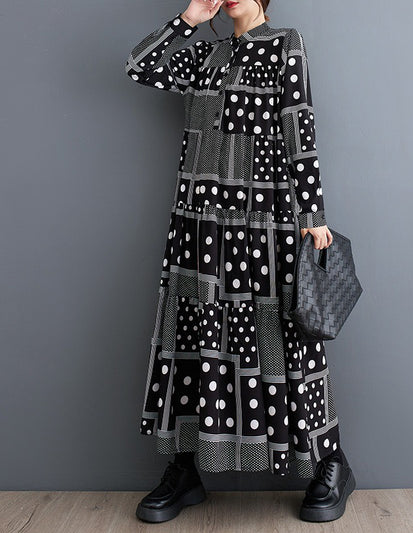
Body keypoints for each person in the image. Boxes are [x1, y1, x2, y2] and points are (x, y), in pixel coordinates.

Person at [125, 0, 355, 524]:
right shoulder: (205, 54)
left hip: (262, 219)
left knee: (283, 338)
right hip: (199, 222)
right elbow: (140, 67)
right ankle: (186, 468)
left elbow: (299, 125)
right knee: (194, 338)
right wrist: (188, 20)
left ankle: (330, 462)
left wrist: (312, 214)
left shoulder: (284, 43)